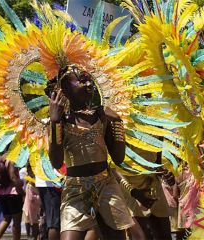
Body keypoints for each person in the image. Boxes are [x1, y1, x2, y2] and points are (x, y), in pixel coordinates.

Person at [47, 65, 134, 240]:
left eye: (90, 79)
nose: (89, 84)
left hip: (106, 185)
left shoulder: (103, 116)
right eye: (81, 80)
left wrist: (117, 122)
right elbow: (56, 163)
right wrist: (55, 122)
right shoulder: (60, 121)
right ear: (64, 90)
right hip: (75, 190)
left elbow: (118, 158)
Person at [113, 148, 173, 240]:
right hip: (132, 192)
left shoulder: (157, 133)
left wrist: (165, 174)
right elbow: (114, 167)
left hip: (155, 189)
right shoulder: (122, 133)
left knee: (165, 236)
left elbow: (156, 163)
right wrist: (133, 192)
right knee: (142, 236)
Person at [0, 154, 25, 240]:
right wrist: (22, 191)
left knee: (6, 218)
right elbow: (12, 177)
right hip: (13, 193)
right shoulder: (12, 158)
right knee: (16, 222)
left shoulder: (0, 159)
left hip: (1, 192)